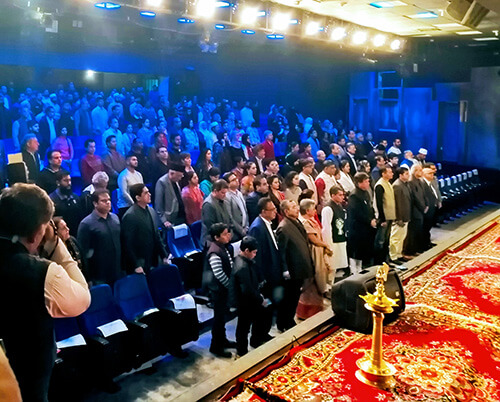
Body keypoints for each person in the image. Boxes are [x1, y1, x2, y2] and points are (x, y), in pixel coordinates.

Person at [0, 183, 90, 402]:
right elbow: (82, 299)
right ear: (35, 235)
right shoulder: (41, 272)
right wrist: (56, 243)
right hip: (27, 380)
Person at [229, 236, 272, 357]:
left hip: (252, 299)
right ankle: (242, 351)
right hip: (246, 302)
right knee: (244, 327)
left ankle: (256, 340)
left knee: (257, 319)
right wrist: (261, 299)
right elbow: (247, 289)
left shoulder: (245, 260)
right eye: (254, 252)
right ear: (246, 250)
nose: (255, 255)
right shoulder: (242, 267)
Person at [248, 197, 282, 345]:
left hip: (272, 274)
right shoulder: (257, 228)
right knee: (263, 308)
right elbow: (257, 257)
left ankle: (264, 333)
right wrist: (262, 279)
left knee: (269, 307)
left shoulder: (267, 223)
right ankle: (256, 338)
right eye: (272, 209)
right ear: (263, 211)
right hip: (265, 277)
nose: (275, 212)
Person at [276, 199, 314, 332]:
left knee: (294, 296)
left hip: (300, 267)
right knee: (289, 298)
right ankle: (284, 322)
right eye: (293, 207)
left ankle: (288, 319)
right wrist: (285, 270)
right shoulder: (283, 228)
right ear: (286, 212)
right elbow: (282, 252)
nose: (297, 208)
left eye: (296, 206)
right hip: (292, 270)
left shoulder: (296, 221)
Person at [77, 189, 123, 286]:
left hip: (117, 270)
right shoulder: (86, 224)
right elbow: (83, 253)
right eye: (103, 201)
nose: (108, 203)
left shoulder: (115, 218)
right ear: (95, 203)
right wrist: (87, 277)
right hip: (99, 275)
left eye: (109, 200)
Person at [121, 183, 168, 275]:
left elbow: (157, 235)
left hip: (153, 258)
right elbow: (127, 244)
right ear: (138, 198)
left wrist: (164, 255)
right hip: (140, 261)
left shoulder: (151, 210)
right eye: (146, 193)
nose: (149, 194)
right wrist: (136, 265)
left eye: (148, 192)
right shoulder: (130, 216)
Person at [297, 199, 331, 319]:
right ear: (307, 210)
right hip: (313, 253)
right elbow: (314, 240)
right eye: (313, 209)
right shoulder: (305, 223)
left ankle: (317, 308)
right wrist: (326, 245)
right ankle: (307, 312)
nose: (315, 211)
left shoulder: (311, 220)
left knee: (318, 281)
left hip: (318, 251)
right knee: (313, 281)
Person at [206, 223, 236, 358]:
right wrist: (230, 286)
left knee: (222, 318)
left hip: (223, 290)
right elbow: (218, 274)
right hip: (218, 291)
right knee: (218, 319)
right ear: (216, 237)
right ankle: (216, 347)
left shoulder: (222, 247)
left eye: (228, 233)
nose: (228, 235)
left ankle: (223, 340)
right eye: (224, 234)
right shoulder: (214, 252)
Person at [347, 172, 377, 273]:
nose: (368, 183)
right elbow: (357, 212)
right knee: (356, 250)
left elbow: (369, 207)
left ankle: (360, 268)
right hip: (357, 228)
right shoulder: (354, 195)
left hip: (366, 227)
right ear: (359, 183)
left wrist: (373, 218)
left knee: (363, 250)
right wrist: (369, 221)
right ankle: (354, 270)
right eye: (366, 181)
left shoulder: (366, 193)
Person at [321, 186, 348, 281]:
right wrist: (328, 244)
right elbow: (326, 228)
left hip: (340, 237)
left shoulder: (339, 206)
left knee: (338, 265)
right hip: (333, 240)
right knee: (332, 266)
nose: (342, 197)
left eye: (343, 195)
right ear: (333, 195)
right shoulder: (328, 209)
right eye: (340, 195)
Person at [373, 166, 396, 265]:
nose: (392, 174)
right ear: (383, 174)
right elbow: (379, 203)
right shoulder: (380, 185)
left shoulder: (388, 183)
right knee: (380, 241)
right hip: (384, 217)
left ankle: (386, 260)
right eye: (389, 172)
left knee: (387, 240)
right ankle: (379, 261)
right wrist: (382, 219)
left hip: (390, 215)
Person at [403, 164, 428, 257]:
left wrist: (426, 204)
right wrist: (422, 207)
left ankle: (416, 249)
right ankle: (410, 250)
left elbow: (424, 195)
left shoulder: (420, 181)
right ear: (415, 171)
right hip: (415, 210)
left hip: (421, 210)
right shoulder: (411, 182)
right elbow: (415, 197)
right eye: (420, 170)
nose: (421, 172)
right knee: (412, 232)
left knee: (418, 230)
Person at [201, 179, 233, 247]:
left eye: (226, 193)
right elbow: (211, 227)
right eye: (222, 193)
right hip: (212, 241)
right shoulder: (208, 205)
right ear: (215, 191)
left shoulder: (223, 200)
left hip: (223, 236)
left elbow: (229, 219)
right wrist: (224, 236)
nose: (225, 195)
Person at [389, 167, 412, 264]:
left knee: (402, 237)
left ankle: (399, 254)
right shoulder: (397, 185)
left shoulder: (405, 184)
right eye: (406, 174)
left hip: (406, 215)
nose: (408, 175)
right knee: (395, 238)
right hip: (399, 217)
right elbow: (397, 203)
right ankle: (393, 256)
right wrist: (398, 218)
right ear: (400, 175)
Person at [155, 163, 186, 228]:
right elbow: (158, 204)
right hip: (169, 218)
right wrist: (164, 220)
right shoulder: (162, 182)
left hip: (180, 215)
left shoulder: (175, 180)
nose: (180, 178)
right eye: (179, 176)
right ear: (172, 174)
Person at [224, 172, 248, 242]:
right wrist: (241, 231)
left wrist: (246, 226)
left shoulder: (239, 193)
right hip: (235, 234)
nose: (237, 180)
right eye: (233, 180)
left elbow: (245, 211)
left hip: (245, 228)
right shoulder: (226, 197)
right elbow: (230, 218)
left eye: (236, 178)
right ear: (227, 184)